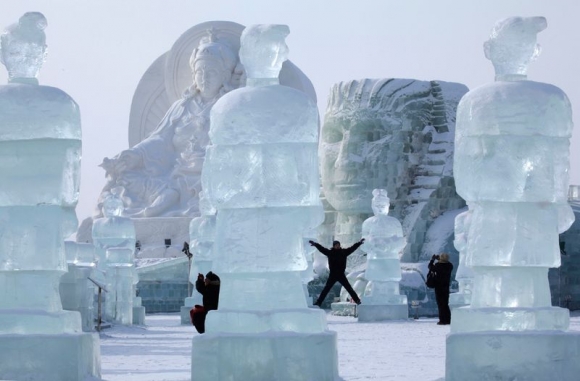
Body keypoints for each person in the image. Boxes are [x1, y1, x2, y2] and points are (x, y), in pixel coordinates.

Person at [98, 31, 239, 218]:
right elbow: (160, 140)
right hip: (176, 174)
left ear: (224, 75)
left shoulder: (230, 108)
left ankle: (169, 204)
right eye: (199, 72)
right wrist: (136, 155)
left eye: (211, 72)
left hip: (213, 176)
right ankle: (161, 200)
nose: (204, 78)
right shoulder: (182, 107)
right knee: (122, 179)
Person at [309, 239, 365, 307]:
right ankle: (318, 303)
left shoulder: (344, 252)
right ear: (333, 246)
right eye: (336, 245)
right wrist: (315, 244)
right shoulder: (330, 253)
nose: (337, 246)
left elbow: (352, 248)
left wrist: (359, 243)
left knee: (349, 289)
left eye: (338, 245)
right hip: (333, 275)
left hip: (341, 275)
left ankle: (357, 301)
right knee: (326, 290)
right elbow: (322, 249)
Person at [429, 253, 453, 325]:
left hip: (438, 287)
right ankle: (448, 319)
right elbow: (447, 263)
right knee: (445, 304)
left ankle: (442, 320)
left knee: (440, 304)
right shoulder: (449, 266)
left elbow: (430, 267)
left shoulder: (438, 266)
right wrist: (441, 259)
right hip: (446, 287)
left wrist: (433, 260)